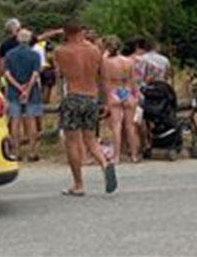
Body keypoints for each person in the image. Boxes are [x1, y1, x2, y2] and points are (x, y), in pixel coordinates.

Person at [54, 19, 117, 196]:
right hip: (91, 98)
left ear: (65, 33)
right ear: (81, 31)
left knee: (72, 141)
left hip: (73, 96)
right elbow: (104, 78)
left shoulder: (61, 51)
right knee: (91, 139)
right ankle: (104, 163)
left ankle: (79, 184)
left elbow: (60, 75)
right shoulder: (95, 51)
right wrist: (107, 102)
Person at [4, 28, 42, 161]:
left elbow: (7, 74)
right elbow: (35, 74)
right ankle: (32, 151)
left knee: (15, 120)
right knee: (31, 120)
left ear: (17, 39)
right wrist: (27, 90)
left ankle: (16, 151)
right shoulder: (35, 55)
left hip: (14, 92)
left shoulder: (9, 54)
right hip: (32, 92)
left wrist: (19, 88)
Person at [102, 35, 139, 163]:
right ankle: (134, 155)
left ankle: (117, 156)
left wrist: (107, 99)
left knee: (116, 126)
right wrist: (136, 95)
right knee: (130, 126)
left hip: (114, 90)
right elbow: (133, 80)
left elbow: (106, 82)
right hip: (126, 91)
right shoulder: (129, 61)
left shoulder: (107, 62)